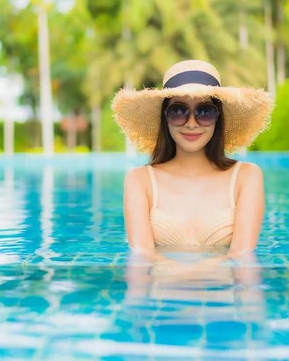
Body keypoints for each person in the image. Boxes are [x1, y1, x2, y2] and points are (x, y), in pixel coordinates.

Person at [111, 60, 274, 270]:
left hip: (222, 298)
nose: (191, 123)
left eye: (204, 112)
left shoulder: (246, 177)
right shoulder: (140, 181)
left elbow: (242, 256)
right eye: (178, 111)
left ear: (218, 117)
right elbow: (142, 258)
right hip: (162, 300)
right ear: (165, 118)